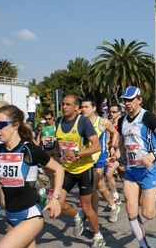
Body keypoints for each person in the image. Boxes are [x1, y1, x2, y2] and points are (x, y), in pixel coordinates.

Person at [0, 105, 64, 248]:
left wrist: (55, 198)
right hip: (10, 215)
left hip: (30, 216)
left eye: (1, 125)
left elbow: (59, 169)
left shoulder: (29, 149)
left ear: (15, 125)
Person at [106, 86, 156, 248]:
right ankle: (144, 246)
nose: (127, 103)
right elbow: (122, 145)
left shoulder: (147, 117)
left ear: (139, 99)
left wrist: (153, 154)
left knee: (148, 213)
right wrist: (115, 157)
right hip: (132, 171)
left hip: (149, 170)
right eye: (125, 100)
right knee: (131, 211)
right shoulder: (122, 120)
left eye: (130, 100)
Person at [55, 95, 105, 248]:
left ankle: (98, 237)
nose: (64, 107)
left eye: (68, 104)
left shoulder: (83, 122)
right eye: (62, 104)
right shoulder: (58, 121)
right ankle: (77, 216)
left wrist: (77, 154)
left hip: (84, 169)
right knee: (58, 203)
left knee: (86, 207)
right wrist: (56, 154)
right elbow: (59, 144)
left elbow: (96, 146)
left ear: (76, 108)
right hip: (67, 170)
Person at [80, 98, 120, 223]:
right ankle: (114, 207)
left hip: (100, 158)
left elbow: (115, 133)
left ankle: (93, 219)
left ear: (93, 108)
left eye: (86, 107)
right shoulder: (80, 122)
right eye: (82, 107)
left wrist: (112, 147)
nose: (83, 109)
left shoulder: (102, 122)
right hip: (86, 159)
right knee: (101, 186)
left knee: (92, 187)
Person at [36, 110, 60, 198]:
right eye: (46, 119)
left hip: (54, 151)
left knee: (55, 172)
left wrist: (51, 139)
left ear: (53, 117)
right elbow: (39, 137)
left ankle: (56, 189)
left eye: (49, 119)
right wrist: (36, 144)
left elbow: (59, 138)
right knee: (49, 172)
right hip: (46, 150)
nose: (47, 120)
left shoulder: (55, 126)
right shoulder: (43, 127)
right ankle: (52, 188)